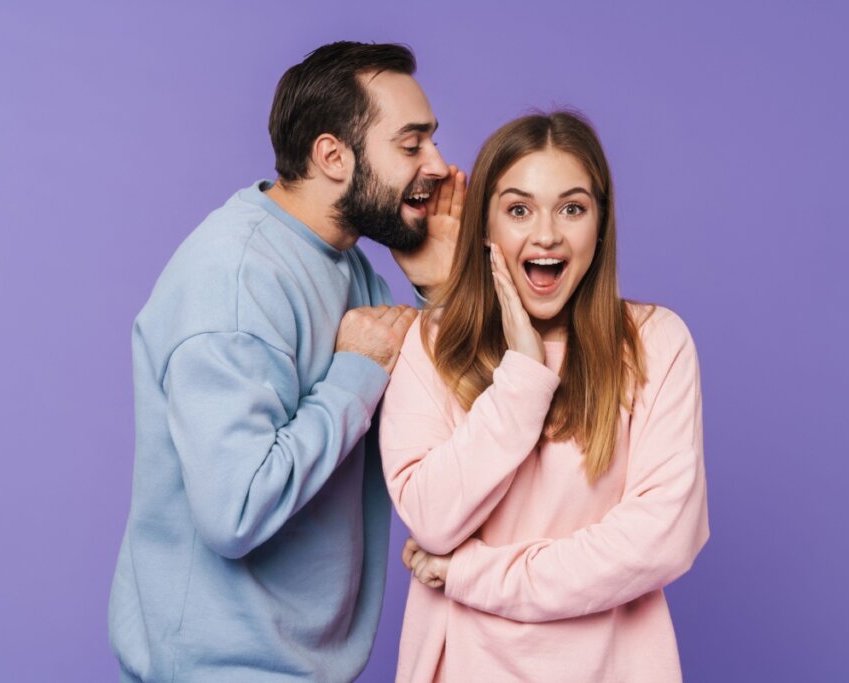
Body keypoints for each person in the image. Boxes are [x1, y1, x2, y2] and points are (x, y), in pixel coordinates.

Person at [108, 41, 465, 683]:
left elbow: (437, 443)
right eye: (411, 145)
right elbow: (235, 510)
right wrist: (355, 373)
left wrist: (438, 292)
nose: (438, 166)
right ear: (332, 155)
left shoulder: (348, 263)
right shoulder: (238, 277)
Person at [379, 111, 709, 682]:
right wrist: (523, 378)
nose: (547, 234)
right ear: (485, 226)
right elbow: (431, 520)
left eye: (572, 208)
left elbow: (658, 543)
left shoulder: (656, 342)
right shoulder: (430, 345)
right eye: (519, 209)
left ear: (600, 226)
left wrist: (470, 573)